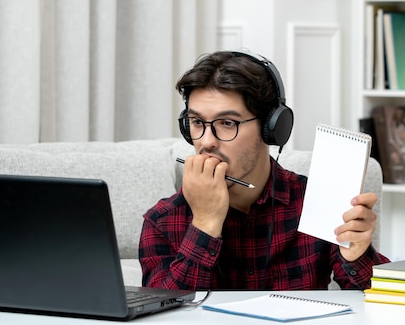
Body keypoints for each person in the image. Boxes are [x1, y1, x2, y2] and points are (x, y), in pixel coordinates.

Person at [138, 50, 389, 290]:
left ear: (271, 128)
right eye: (197, 122)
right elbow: (165, 317)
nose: (206, 142)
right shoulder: (162, 221)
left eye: (227, 123)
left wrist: (357, 255)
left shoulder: (316, 202)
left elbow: (383, 306)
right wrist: (205, 223)